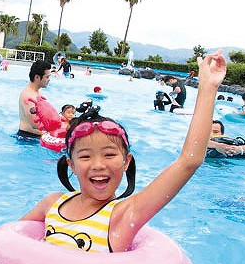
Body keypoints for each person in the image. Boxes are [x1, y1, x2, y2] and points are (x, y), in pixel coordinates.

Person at [19, 50, 227, 253]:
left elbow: (188, 162)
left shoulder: (124, 215)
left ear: (127, 162)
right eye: (85, 156)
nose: (98, 165)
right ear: (70, 163)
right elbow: (8, 240)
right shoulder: (52, 203)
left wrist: (207, 89)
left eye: (109, 154)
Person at [17, 60, 53, 139]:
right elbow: (34, 123)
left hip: (35, 137)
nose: (49, 80)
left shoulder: (37, 92)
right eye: (47, 77)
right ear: (37, 77)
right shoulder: (28, 96)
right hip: (27, 138)